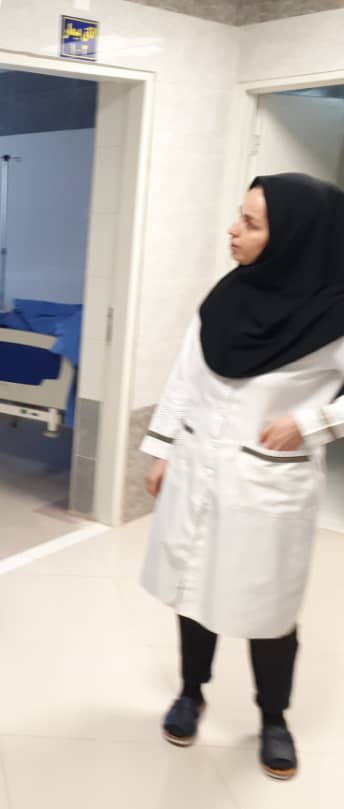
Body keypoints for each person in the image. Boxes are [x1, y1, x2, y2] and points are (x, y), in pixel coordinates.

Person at [142, 173, 344, 781]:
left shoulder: (334, 312)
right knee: (193, 587)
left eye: (251, 223)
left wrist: (312, 423)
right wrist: (162, 449)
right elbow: (186, 376)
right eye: (239, 216)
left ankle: (273, 718)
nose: (233, 230)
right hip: (197, 466)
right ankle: (191, 692)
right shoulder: (224, 299)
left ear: (294, 238)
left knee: (268, 606)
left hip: (268, 485)